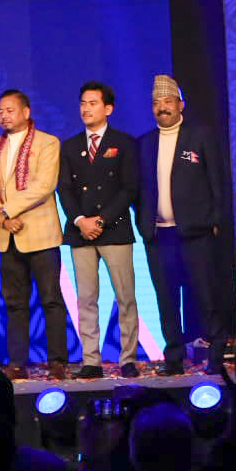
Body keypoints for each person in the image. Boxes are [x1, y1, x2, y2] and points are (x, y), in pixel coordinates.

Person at [136, 74, 234, 375]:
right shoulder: (145, 143)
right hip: (159, 235)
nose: (162, 107)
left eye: (168, 101)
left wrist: (216, 221)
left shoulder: (200, 136)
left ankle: (215, 355)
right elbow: (139, 191)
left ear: (181, 105)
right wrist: (144, 226)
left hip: (196, 232)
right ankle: (174, 358)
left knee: (206, 296)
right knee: (166, 301)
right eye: (156, 103)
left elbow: (218, 181)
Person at [0, 90, 70, 380]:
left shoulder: (47, 142)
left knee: (50, 299)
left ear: (26, 112)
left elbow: (44, 185)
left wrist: (6, 211)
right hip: (8, 235)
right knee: (14, 303)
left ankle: (57, 361)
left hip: (40, 233)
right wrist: (1, 217)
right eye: (0, 111)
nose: (4, 116)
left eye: (10, 110)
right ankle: (17, 362)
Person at [57, 81, 141, 379]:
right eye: (83, 103)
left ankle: (127, 358)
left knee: (125, 296)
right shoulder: (70, 146)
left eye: (92, 103)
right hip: (81, 232)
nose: (86, 108)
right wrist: (81, 220)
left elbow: (129, 188)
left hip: (114, 229)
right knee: (86, 298)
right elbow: (64, 189)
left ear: (108, 109)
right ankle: (90, 360)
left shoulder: (124, 143)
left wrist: (101, 220)